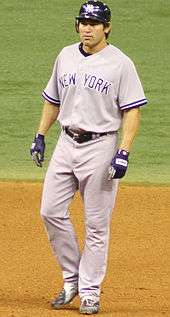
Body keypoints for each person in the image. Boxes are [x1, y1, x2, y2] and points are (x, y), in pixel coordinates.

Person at [30, 0, 147, 314]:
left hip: (101, 146)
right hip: (66, 145)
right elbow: (52, 100)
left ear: (106, 27)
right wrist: (40, 135)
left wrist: (124, 152)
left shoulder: (120, 63)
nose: (87, 28)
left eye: (94, 23)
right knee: (49, 211)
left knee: (96, 225)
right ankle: (73, 280)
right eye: (83, 22)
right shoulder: (65, 56)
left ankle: (90, 292)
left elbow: (132, 111)